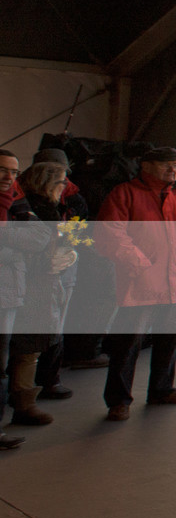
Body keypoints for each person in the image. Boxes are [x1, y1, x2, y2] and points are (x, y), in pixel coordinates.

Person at [94, 146, 176, 421]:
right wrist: (139, 264)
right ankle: (119, 400)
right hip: (140, 282)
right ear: (146, 166)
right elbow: (109, 233)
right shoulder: (124, 193)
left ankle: (162, 390)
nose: (173, 169)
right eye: (166, 164)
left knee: (169, 338)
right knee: (127, 343)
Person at [4, 162, 78, 427]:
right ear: (46, 183)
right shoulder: (30, 210)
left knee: (28, 348)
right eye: (61, 182)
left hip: (41, 285)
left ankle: (24, 402)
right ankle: (23, 404)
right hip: (30, 286)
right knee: (25, 349)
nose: (65, 188)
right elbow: (26, 252)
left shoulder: (44, 209)